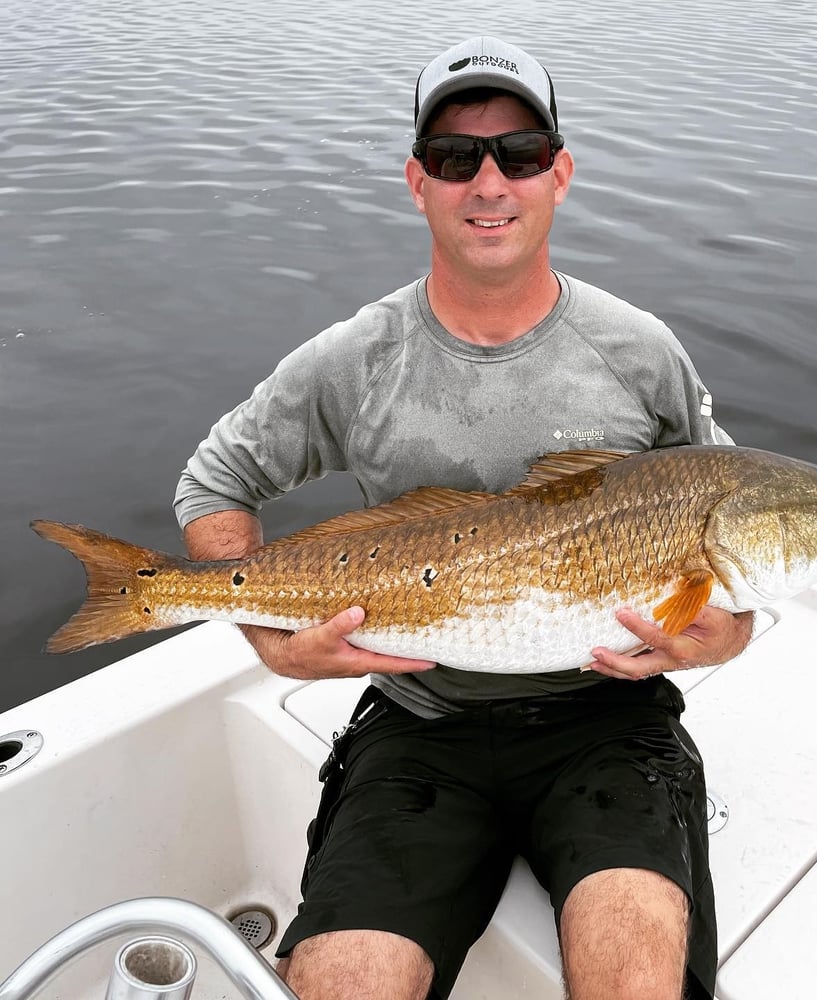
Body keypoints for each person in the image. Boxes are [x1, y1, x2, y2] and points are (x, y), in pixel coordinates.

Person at [175, 35, 752, 1000]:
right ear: (418, 182)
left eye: (520, 153)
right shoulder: (355, 358)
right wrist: (266, 634)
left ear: (559, 174)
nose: (490, 182)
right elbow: (213, 482)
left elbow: (722, 510)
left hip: (608, 719)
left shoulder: (641, 352)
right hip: (417, 720)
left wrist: (722, 634)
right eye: (455, 158)